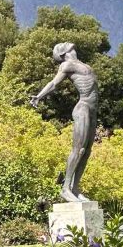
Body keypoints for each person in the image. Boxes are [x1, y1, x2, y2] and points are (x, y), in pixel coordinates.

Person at [30, 42, 98, 201]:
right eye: (67, 45)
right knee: (79, 149)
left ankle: (75, 188)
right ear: (63, 53)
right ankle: (66, 188)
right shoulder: (67, 65)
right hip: (83, 108)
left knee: (87, 151)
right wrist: (39, 96)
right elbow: (54, 83)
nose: (71, 45)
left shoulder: (82, 64)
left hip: (93, 110)